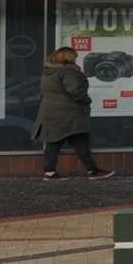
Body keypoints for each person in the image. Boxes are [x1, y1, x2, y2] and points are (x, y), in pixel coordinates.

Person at [34, 47, 114, 181]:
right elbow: (76, 91)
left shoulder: (48, 72)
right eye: (75, 57)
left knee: (55, 143)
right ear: (68, 57)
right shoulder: (68, 72)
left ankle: (50, 172)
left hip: (51, 113)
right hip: (68, 114)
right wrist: (87, 100)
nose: (76, 59)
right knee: (80, 141)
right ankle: (92, 171)